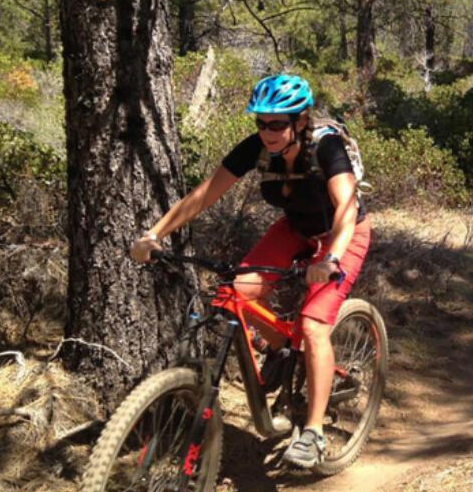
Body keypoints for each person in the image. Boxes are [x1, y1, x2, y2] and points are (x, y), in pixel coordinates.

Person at [129, 73, 371, 469]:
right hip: (296, 227)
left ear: (300, 121)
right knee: (235, 292)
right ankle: (281, 348)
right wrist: (154, 233)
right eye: (260, 122)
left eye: (277, 123)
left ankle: (313, 433)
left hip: (343, 235)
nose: (268, 131)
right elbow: (204, 194)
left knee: (313, 325)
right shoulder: (257, 148)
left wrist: (330, 259)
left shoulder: (326, 148)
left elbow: (345, 205)